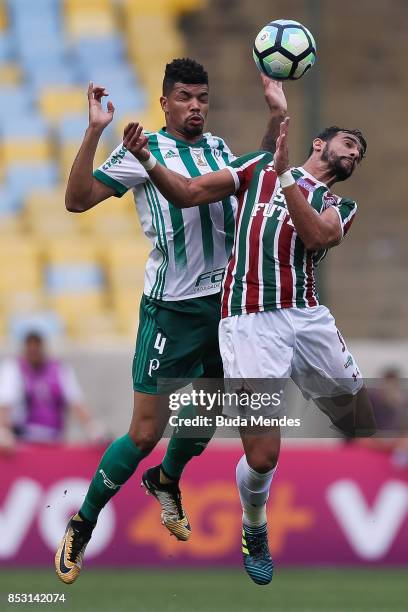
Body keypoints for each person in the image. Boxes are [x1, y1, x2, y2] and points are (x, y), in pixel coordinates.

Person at [55, 58, 286, 584]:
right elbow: (75, 201)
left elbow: (262, 167)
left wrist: (276, 118)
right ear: (165, 102)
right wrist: (94, 131)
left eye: (202, 97)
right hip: (172, 312)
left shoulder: (220, 149)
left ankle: (167, 481)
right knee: (143, 432)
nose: (196, 106)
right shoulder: (143, 151)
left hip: (225, 310)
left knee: (203, 417)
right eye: (185, 97)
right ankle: (82, 524)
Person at [120, 114, 376, 585]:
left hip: (306, 317)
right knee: (262, 457)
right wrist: (146, 158)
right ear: (318, 144)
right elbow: (188, 193)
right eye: (348, 142)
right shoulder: (257, 168)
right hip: (250, 322)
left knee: (361, 421)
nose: (355, 152)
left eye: (360, 151)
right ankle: (254, 526)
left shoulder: (341, 204)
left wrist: (285, 178)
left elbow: (317, 236)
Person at [0, 331, 102, 449]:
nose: (34, 353)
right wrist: (3, 430)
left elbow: (76, 402)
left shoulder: (60, 369)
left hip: (54, 439)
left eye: (36, 348)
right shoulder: (13, 368)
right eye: (30, 349)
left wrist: (92, 427)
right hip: (23, 440)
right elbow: (5, 404)